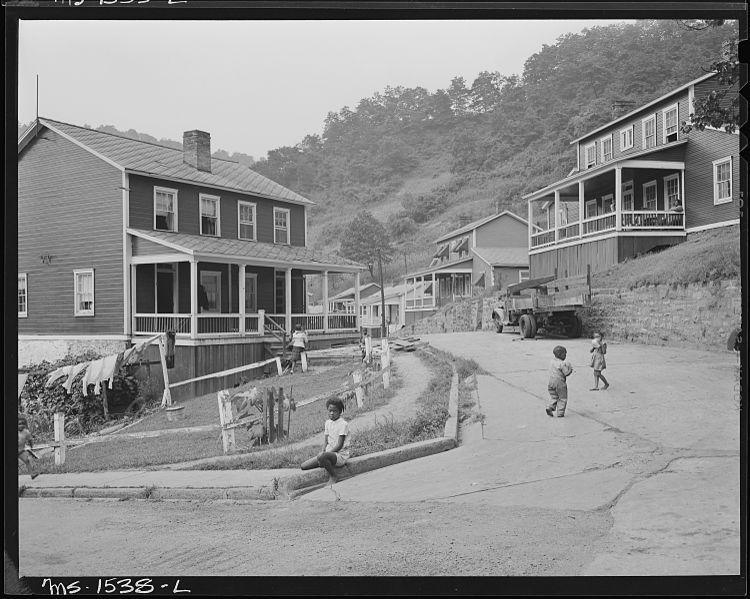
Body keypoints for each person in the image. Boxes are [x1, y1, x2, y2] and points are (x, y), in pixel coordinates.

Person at [300, 398, 350, 484]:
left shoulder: (343, 424)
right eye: (330, 411)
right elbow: (326, 440)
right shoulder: (327, 423)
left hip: (340, 456)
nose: (332, 413)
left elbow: (339, 445)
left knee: (322, 457)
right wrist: (323, 451)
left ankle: (333, 476)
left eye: (335, 411)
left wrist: (325, 454)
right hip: (328, 454)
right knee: (303, 466)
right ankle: (324, 461)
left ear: (340, 412)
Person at [546, 345, 573, 418]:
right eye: (565, 354)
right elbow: (566, 373)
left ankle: (550, 407)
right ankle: (560, 413)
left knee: (554, 396)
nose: (566, 355)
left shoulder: (552, 361)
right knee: (562, 398)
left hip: (551, 382)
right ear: (560, 354)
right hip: (560, 383)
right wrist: (570, 369)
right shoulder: (562, 363)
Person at [18, 415, 39, 479]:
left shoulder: (26, 432)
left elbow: (30, 439)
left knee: (27, 461)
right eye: (19, 424)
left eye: (22, 424)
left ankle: (32, 475)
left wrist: (31, 445)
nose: (21, 425)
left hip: (20, 451)